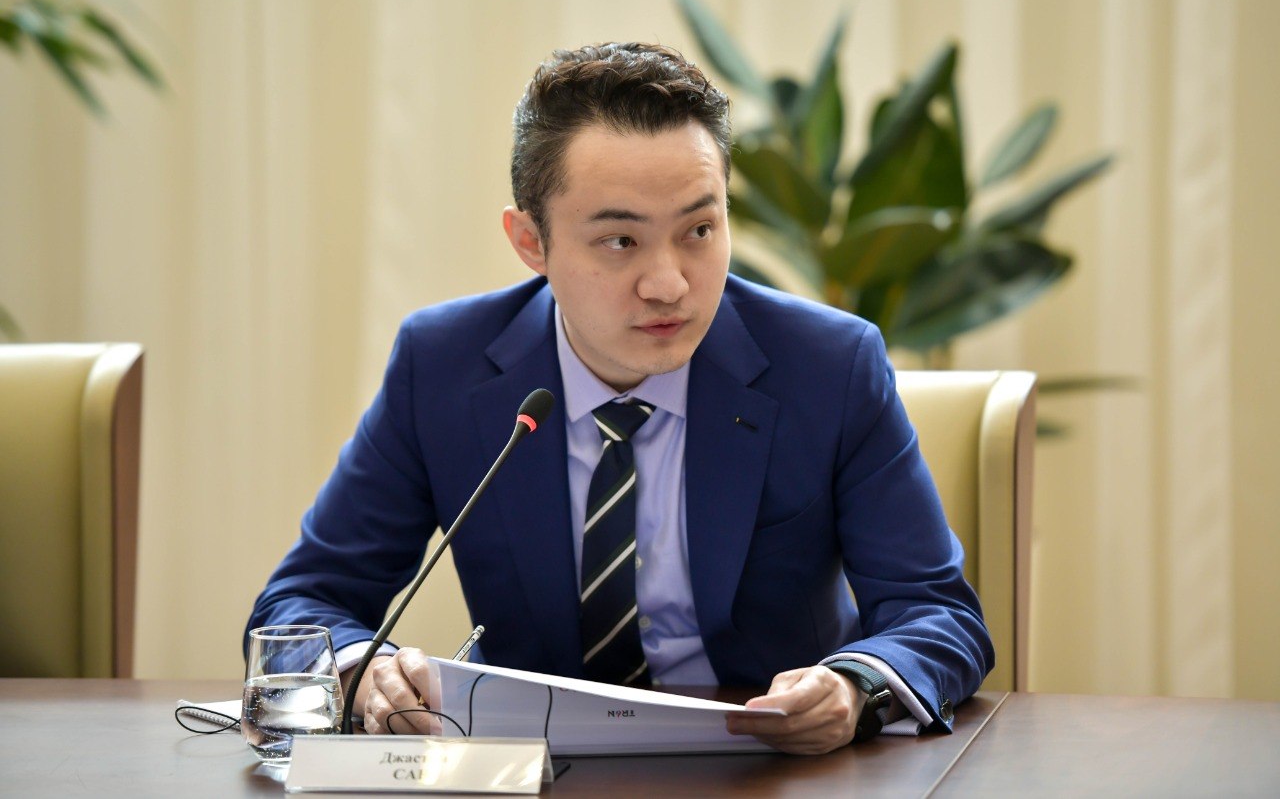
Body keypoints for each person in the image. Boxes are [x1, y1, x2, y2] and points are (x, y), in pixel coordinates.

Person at [247, 42, 993, 755]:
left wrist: (856, 684)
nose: (669, 283)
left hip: (771, 765)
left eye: (699, 229)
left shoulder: (828, 366)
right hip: (537, 771)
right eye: (620, 241)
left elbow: (939, 613)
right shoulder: (444, 367)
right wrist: (364, 668)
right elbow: (302, 602)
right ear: (531, 242)